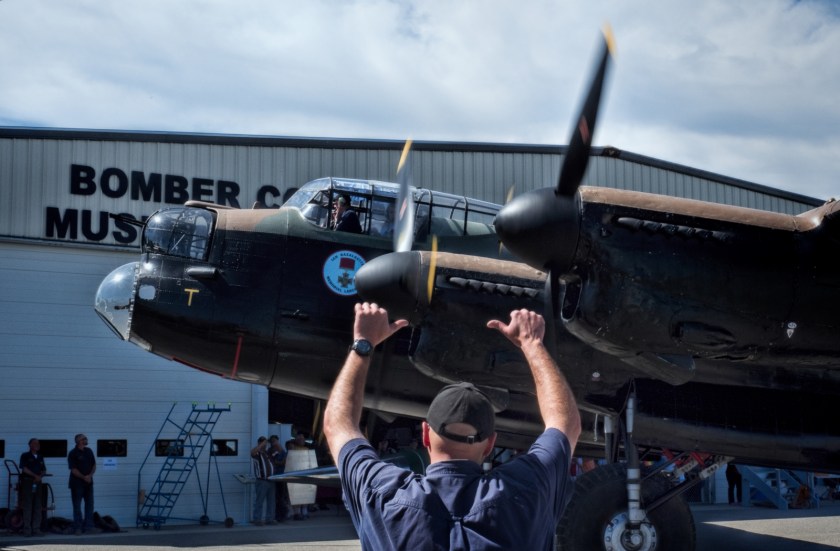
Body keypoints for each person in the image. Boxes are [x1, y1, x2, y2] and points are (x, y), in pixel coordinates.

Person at [323, 303, 581, 550]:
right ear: (490, 444)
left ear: (425, 434)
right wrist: (533, 343)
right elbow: (565, 423)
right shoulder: (526, 487)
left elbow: (338, 426)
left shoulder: (381, 491)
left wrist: (363, 344)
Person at [67, 433, 96, 535]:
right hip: (77, 484)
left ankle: (89, 527)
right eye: (84, 438)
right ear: (79, 441)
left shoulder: (89, 451)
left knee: (89, 505)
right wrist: (84, 477)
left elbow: (94, 465)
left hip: (88, 483)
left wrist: (90, 476)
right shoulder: (73, 453)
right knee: (77, 506)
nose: (86, 439)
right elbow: (73, 469)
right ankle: (78, 527)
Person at [19, 438, 48, 537]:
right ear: (30, 445)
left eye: (38, 443)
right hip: (28, 482)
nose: (37, 445)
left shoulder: (40, 457)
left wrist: (40, 476)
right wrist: (35, 476)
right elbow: (24, 468)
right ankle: (27, 530)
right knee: (28, 505)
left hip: (38, 483)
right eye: (35, 443)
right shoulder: (25, 456)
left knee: (37, 506)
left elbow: (44, 470)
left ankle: (36, 529)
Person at [250, 436, 276, 525]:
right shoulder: (257, 454)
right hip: (262, 480)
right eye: (262, 442)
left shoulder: (268, 453)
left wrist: (275, 442)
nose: (264, 445)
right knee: (259, 501)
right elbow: (252, 452)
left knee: (271, 501)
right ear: (259, 443)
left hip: (271, 480)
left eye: (265, 443)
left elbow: (281, 452)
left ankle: (270, 519)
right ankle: (257, 519)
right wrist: (262, 444)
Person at [287, 432, 313, 520]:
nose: (302, 440)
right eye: (299, 439)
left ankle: (304, 511)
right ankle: (296, 513)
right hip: (296, 475)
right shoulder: (293, 448)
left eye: (303, 439)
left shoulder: (307, 449)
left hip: (306, 474)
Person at [268, 434, 290, 521]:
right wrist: (278, 462)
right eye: (272, 441)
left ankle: (283, 515)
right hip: (274, 476)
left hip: (282, 476)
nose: (274, 443)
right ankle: (277, 515)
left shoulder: (282, 451)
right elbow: (273, 462)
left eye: (275, 441)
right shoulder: (270, 451)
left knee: (282, 496)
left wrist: (279, 462)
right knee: (276, 497)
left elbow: (284, 462)